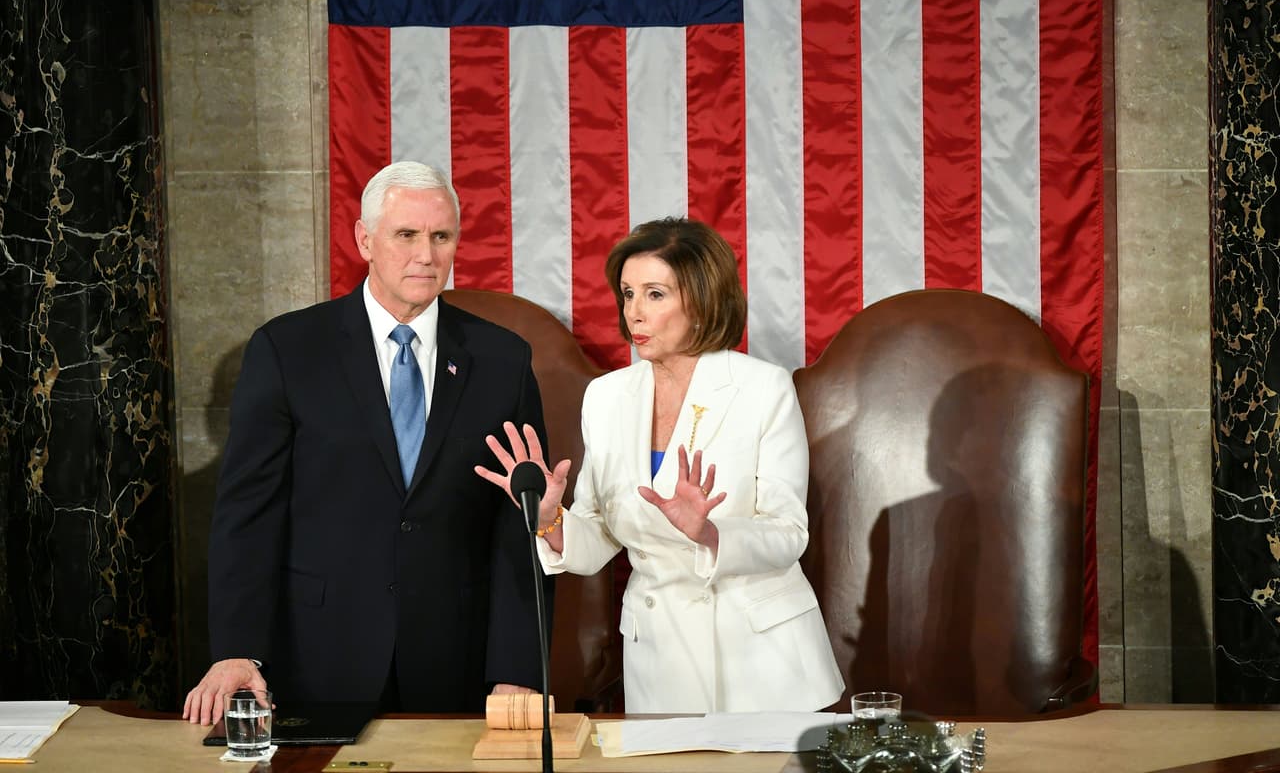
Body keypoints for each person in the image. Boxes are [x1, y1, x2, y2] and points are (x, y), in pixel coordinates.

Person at [183, 162, 549, 725]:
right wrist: (236, 649)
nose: (425, 255)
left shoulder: (503, 360)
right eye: (406, 234)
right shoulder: (288, 350)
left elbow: (519, 525)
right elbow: (248, 516)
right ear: (364, 240)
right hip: (318, 658)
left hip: (457, 662)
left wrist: (518, 667)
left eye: (440, 236)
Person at [478, 217, 843, 713]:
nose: (634, 313)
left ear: (701, 298)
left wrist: (711, 534)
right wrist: (550, 520)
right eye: (627, 294)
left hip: (763, 667)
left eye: (654, 294)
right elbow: (598, 538)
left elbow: (788, 532)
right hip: (660, 661)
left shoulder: (763, 387)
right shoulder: (607, 396)